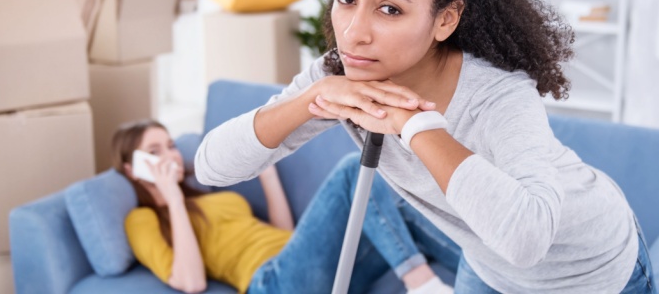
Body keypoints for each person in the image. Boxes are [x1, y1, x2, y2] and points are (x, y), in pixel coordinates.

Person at [195, 0, 656, 292]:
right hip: (489, 264)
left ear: (445, 19)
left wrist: (413, 123)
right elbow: (211, 166)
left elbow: (527, 238)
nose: (354, 33)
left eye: (390, 8)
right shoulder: (342, 78)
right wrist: (309, 100)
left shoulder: (499, 97)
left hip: (590, 271)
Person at [113, 119, 458, 294]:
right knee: (355, 170)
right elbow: (191, 282)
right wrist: (171, 197)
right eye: (155, 151)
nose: (171, 155)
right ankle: (422, 283)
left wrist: (266, 173)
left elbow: (285, 237)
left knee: (400, 211)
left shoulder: (207, 196)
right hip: (273, 285)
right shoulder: (141, 219)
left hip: (309, 271)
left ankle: (497, 272)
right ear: (131, 168)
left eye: (170, 145)